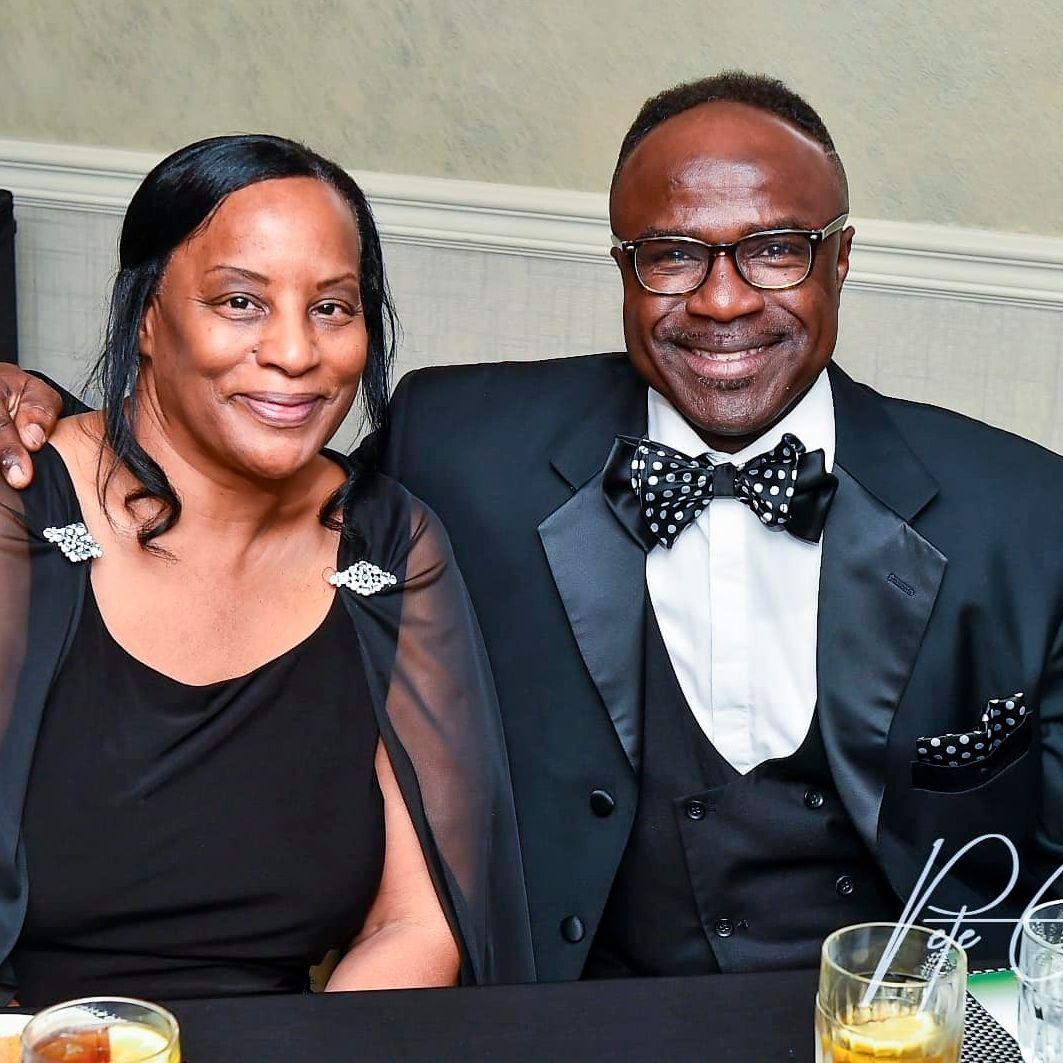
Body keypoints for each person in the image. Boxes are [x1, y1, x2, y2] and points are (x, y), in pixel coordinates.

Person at [4, 73, 1062, 982]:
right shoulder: (458, 447)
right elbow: (231, 476)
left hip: (895, 1027)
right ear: (622, 267)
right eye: (672, 255)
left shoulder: (1021, 514)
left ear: (840, 259)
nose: (723, 301)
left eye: (775, 251)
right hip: (567, 1021)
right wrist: (46, 425)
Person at [0, 134, 532, 1007]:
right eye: (240, 301)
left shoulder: (389, 543)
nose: (294, 352)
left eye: (331, 307)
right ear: (146, 317)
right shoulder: (18, 505)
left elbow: (417, 923)